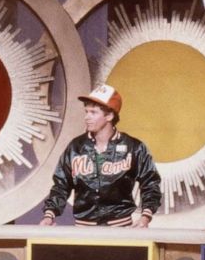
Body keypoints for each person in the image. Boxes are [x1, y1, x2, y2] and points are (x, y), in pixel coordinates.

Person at [40, 83, 161, 227]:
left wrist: (145, 217)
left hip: (121, 227)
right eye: (86, 111)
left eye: (93, 112)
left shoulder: (133, 147)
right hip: (83, 229)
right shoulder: (75, 147)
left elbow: (151, 184)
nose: (87, 117)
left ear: (109, 115)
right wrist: (49, 215)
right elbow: (61, 185)